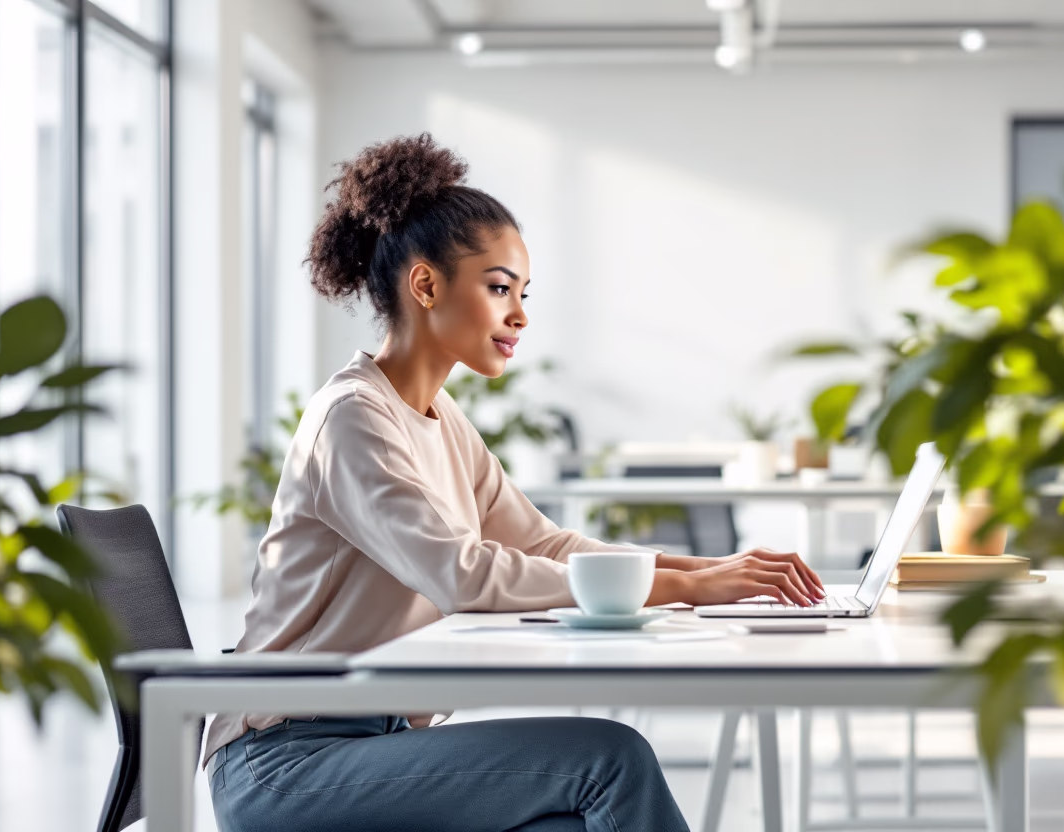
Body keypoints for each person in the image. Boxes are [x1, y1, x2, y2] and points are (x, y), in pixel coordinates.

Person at [203, 133, 826, 832]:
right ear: (427, 285)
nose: (521, 315)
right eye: (499, 289)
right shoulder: (354, 418)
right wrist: (684, 588)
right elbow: (463, 576)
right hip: (283, 764)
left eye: (523, 293)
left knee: (581, 815)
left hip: (371, 741)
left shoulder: (439, 416)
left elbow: (547, 546)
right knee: (609, 759)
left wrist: (710, 570)